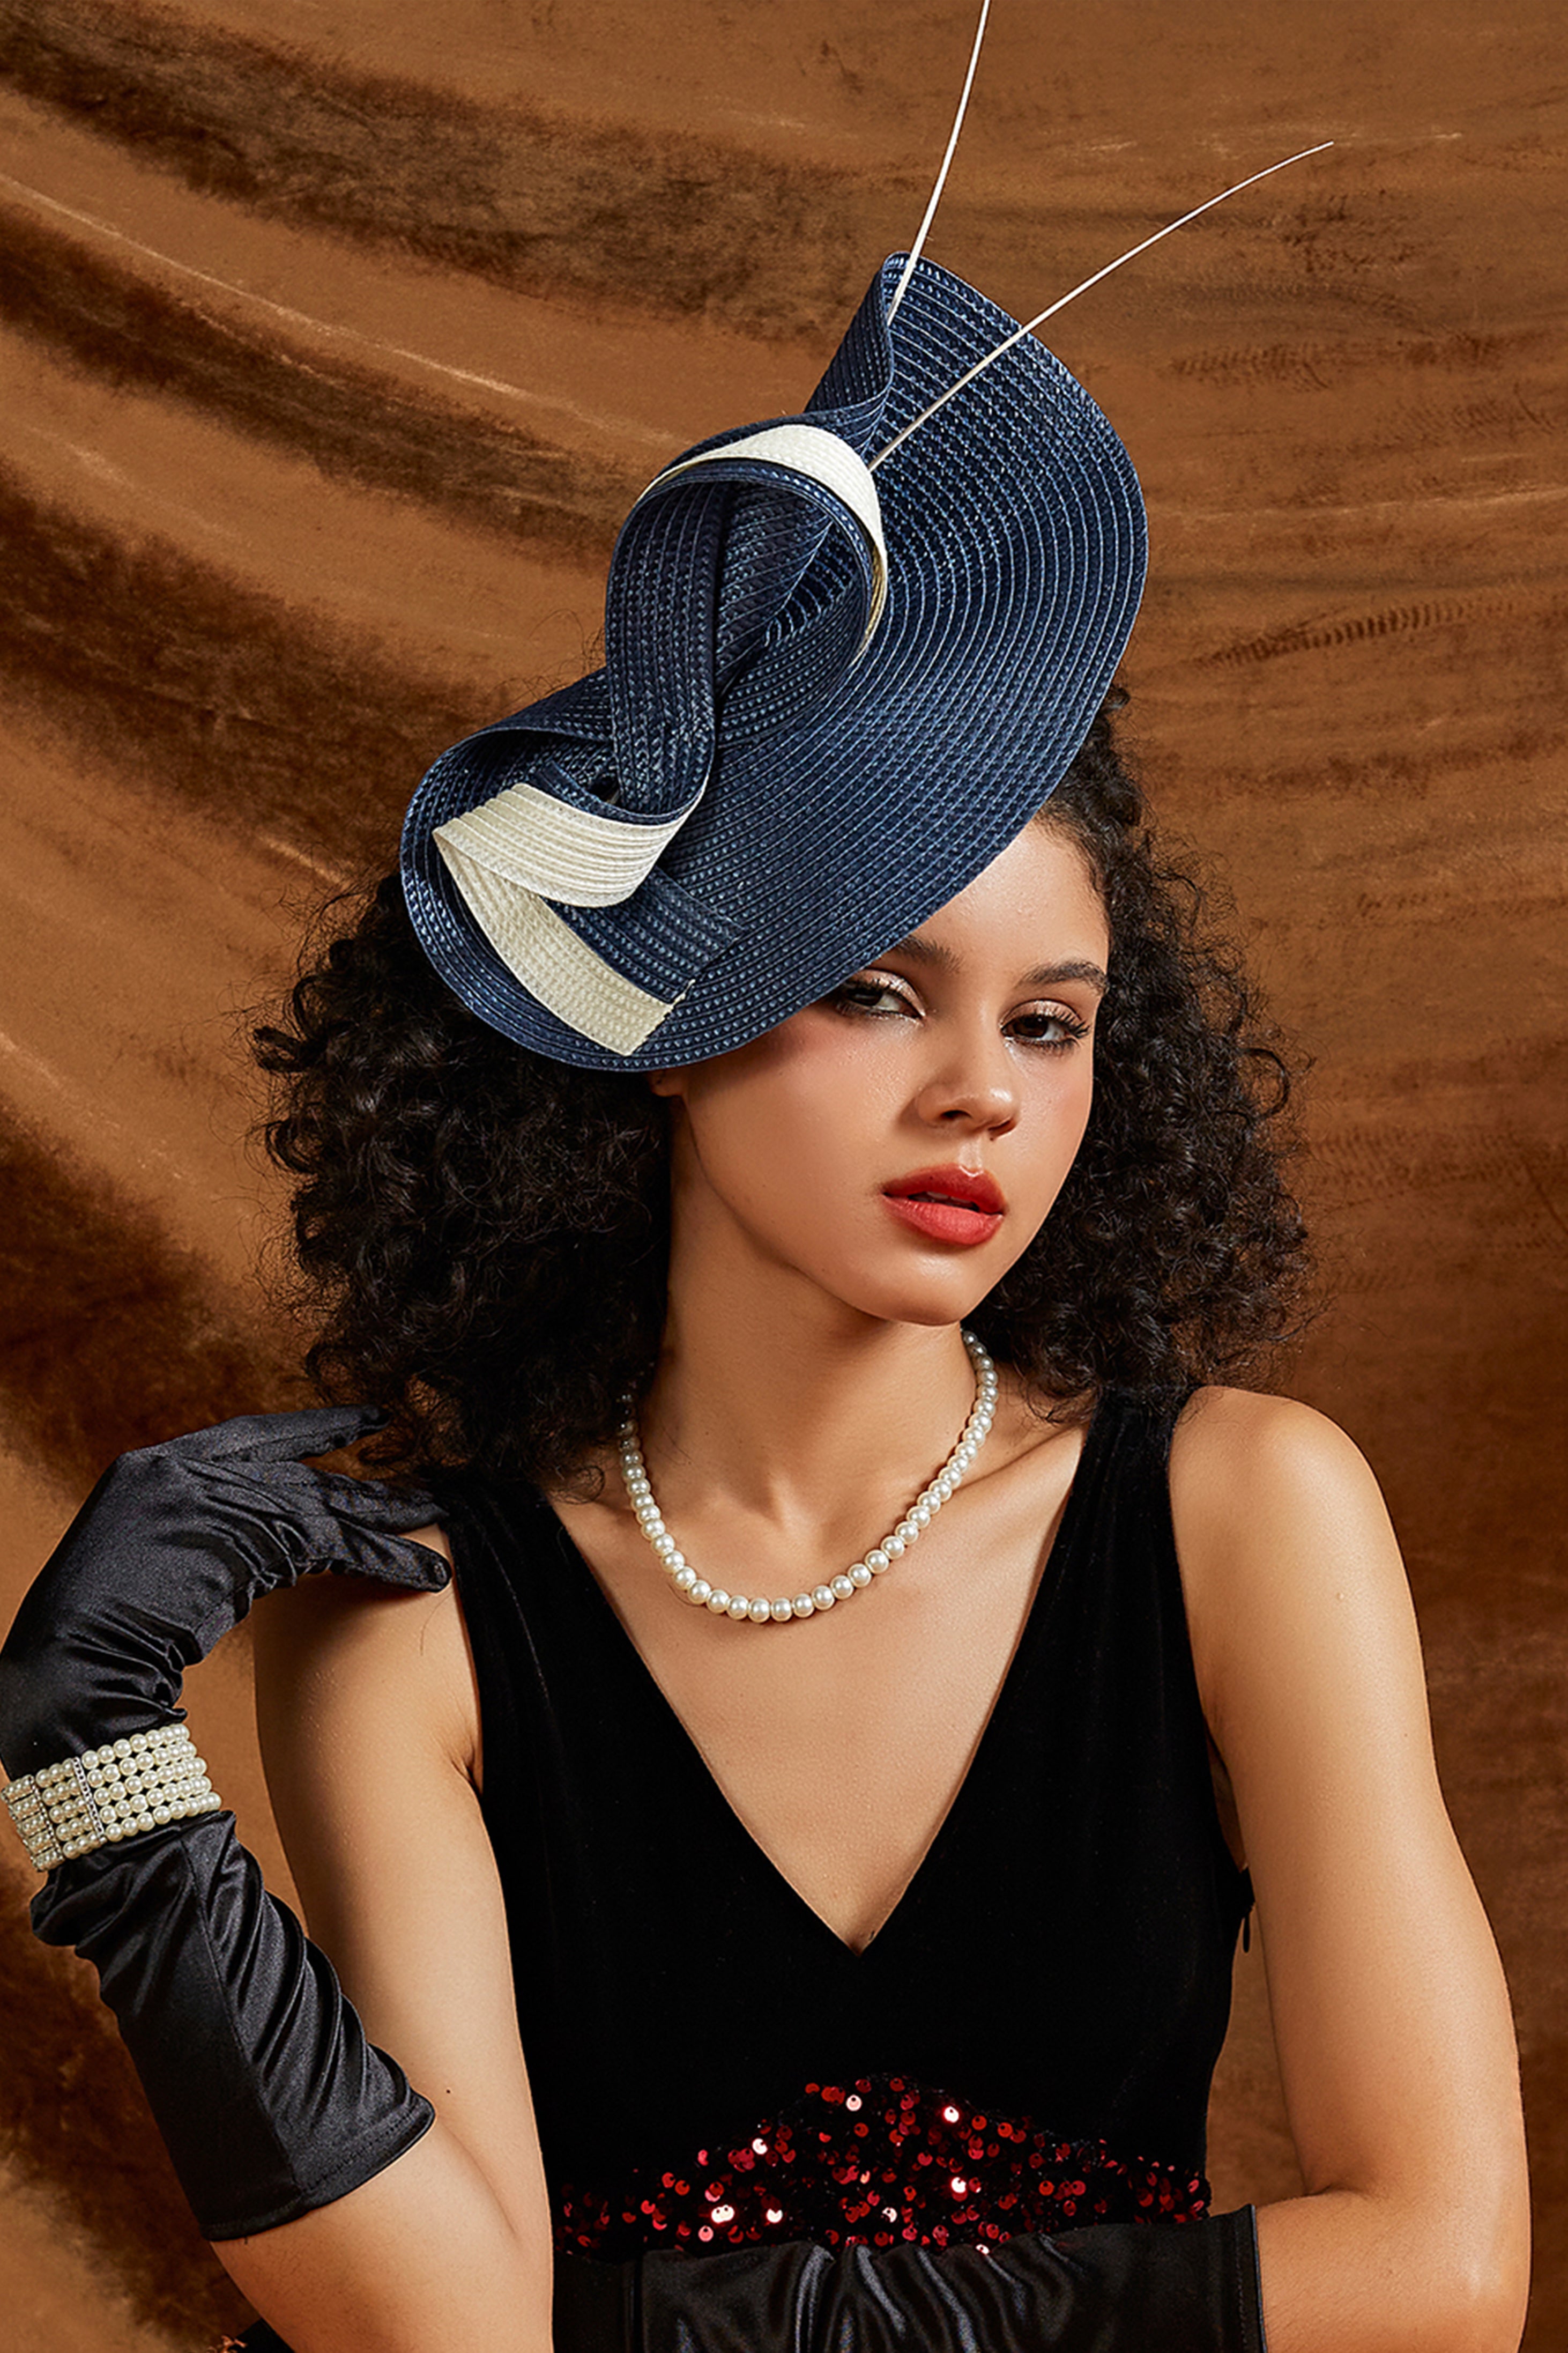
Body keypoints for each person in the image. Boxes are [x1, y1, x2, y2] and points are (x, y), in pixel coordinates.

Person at [0, 221, 1529, 2353]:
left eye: (1053, 1021)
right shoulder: (406, 1612)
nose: (983, 1092)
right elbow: (442, 2331)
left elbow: (1448, 2271)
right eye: (877, 990)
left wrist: (752, 2323)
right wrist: (101, 1777)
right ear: (663, 1020)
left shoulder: (1247, 1513)